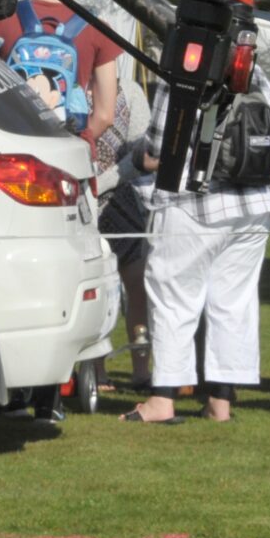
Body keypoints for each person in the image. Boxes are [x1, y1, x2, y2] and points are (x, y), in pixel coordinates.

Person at [0, 0, 122, 422]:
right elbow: (105, 111)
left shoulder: (3, 21)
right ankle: (55, 393)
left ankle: (12, 388)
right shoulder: (96, 29)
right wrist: (83, 143)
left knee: (10, 267)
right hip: (68, 164)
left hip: (11, 161)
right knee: (73, 270)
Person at [121, 59, 270, 424]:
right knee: (234, 304)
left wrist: (135, 155)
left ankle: (163, 400)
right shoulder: (259, 73)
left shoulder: (182, 73)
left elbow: (161, 146)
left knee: (173, 298)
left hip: (192, 202)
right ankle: (220, 403)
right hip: (253, 204)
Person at [0, 0, 121, 144]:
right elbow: (105, 115)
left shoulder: (3, 19)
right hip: (69, 144)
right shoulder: (97, 29)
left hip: (13, 140)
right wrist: (78, 144)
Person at [94, 77, 153, 390]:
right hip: (82, 206)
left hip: (122, 201)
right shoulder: (72, 86)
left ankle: (141, 370)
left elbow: (139, 153)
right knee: (96, 291)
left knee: (137, 287)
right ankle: (96, 371)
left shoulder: (130, 91)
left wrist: (100, 184)